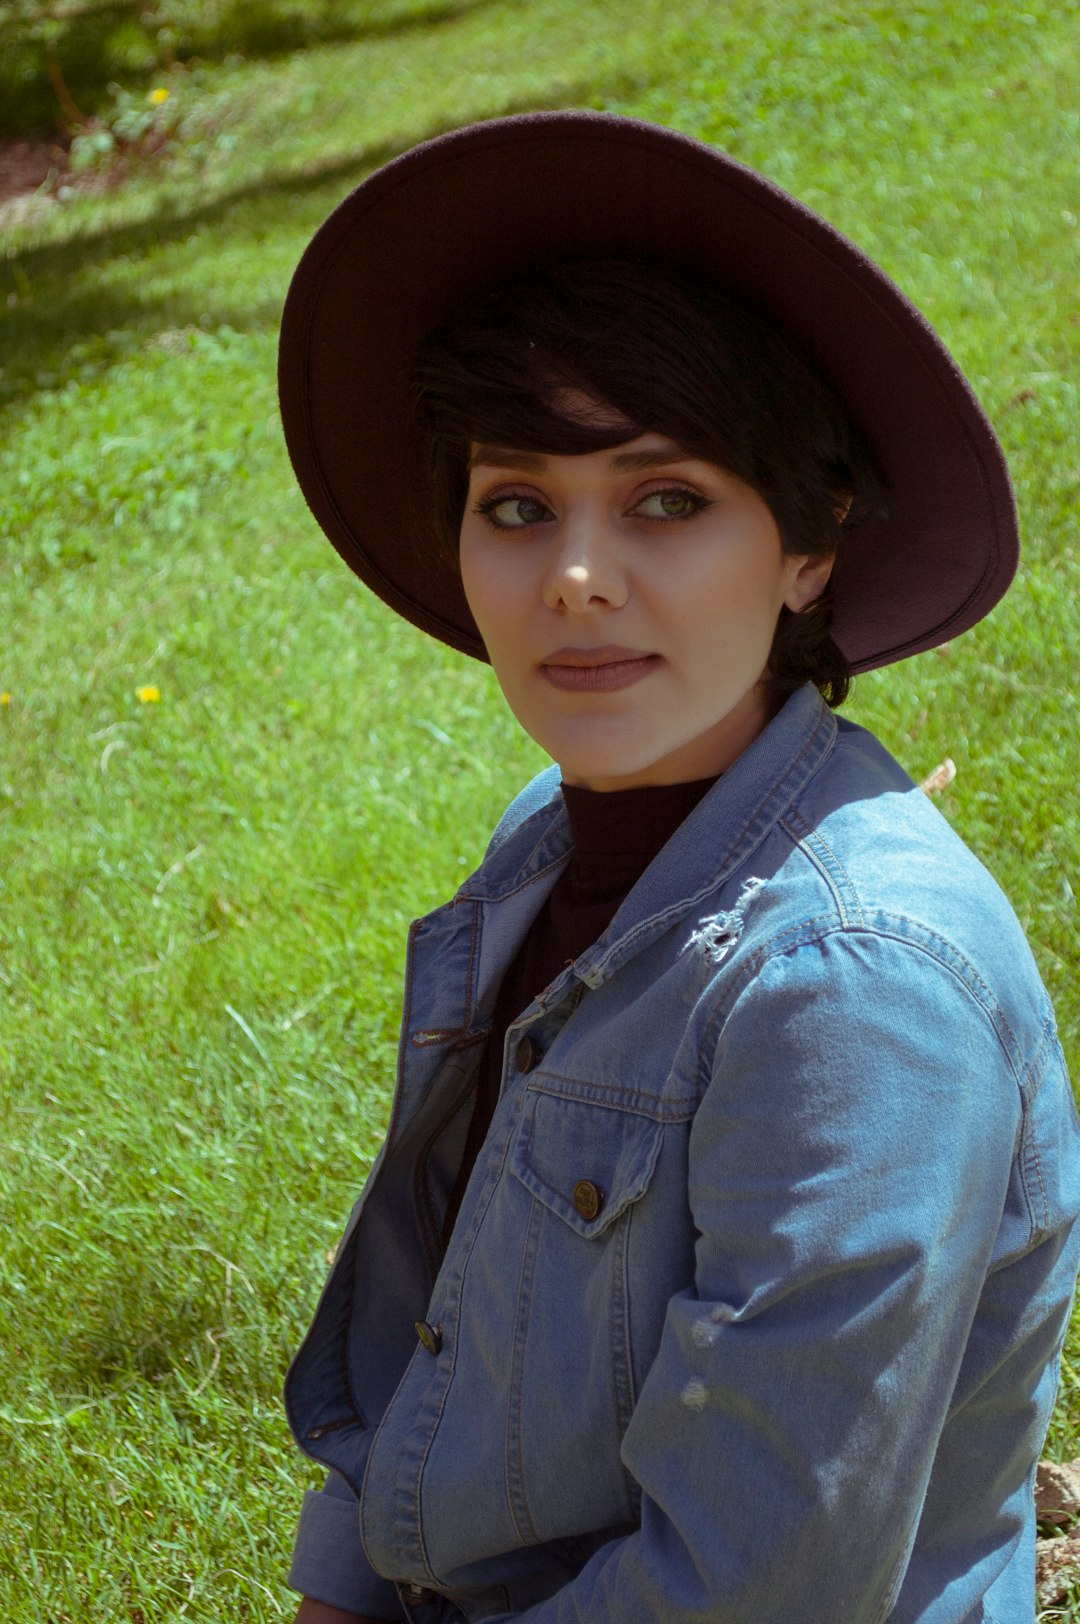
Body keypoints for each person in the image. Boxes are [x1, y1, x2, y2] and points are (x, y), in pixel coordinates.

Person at [274, 112, 1080, 1623]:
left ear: (811, 543)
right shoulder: (549, 834)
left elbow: (746, 1588)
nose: (575, 575)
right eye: (518, 505)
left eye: (667, 500)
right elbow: (440, 1326)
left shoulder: (853, 990)